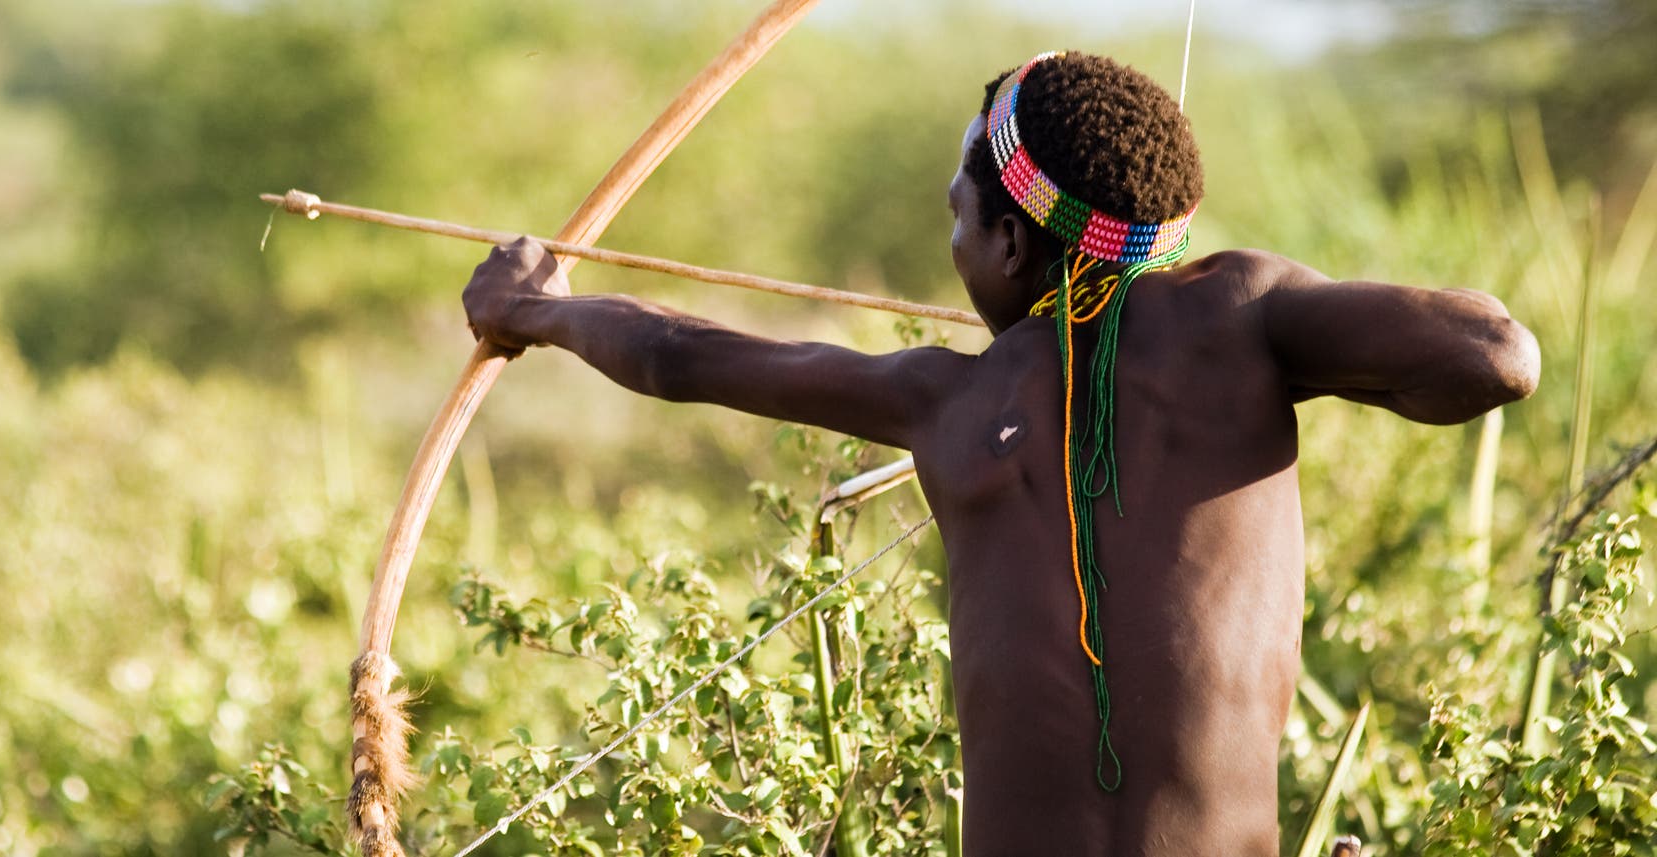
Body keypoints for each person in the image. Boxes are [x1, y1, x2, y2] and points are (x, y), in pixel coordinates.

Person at [460, 50, 1539, 856]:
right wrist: (1250, 313)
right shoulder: (1242, 318)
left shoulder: (951, 394)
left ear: (1010, 241)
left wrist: (532, 310)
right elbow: (1493, 353)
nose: (955, 246)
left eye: (958, 220)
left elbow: (674, 352)